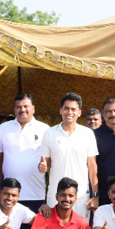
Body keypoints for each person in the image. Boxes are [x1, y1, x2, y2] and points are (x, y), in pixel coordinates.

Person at [0, 94, 50, 229]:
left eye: (26, 106)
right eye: (18, 107)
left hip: (36, 195)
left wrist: (47, 166)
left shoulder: (44, 129)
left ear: (33, 108)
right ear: (14, 109)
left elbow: (51, 159)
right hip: (10, 196)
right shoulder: (4, 129)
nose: (22, 110)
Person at [40, 92, 100, 221]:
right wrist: (42, 167)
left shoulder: (87, 133)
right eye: (66, 108)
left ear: (79, 112)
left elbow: (92, 167)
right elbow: (45, 164)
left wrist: (95, 195)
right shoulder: (49, 133)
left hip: (80, 196)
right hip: (55, 195)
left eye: (73, 109)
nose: (69, 112)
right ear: (60, 110)